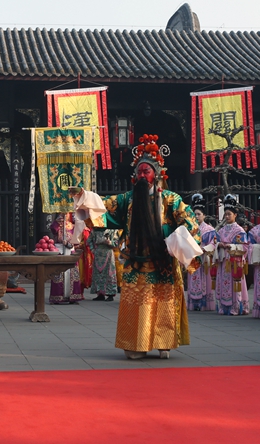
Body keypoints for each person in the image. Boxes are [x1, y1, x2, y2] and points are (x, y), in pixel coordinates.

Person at [71, 133, 201, 359]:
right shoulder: (127, 199)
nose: (142, 175)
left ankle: (164, 343)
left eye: (146, 171)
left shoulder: (171, 199)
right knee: (136, 303)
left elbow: (190, 223)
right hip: (135, 261)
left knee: (163, 302)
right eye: (139, 172)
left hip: (162, 261)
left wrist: (166, 233)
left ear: (156, 175)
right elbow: (103, 208)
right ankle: (136, 344)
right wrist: (84, 198)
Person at [212, 194, 249, 315]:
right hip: (224, 261)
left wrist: (231, 246)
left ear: (235, 215)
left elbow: (245, 246)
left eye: (229, 214)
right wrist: (219, 245)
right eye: (226, 214)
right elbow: (215, 243)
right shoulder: (221, 230)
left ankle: (236, 307)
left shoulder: (239, 231)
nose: (227, 216)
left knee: (234, 283)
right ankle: (223, 307)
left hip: (234, 261)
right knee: (223, 283)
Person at [187, 194, 216, 311]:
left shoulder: (209, 229)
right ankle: (193, 303)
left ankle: (204, 303)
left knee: (204, 279)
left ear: (204, 215)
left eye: (199, 214)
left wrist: (205, 249)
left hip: (203, 257)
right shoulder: (189, 228)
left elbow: (214, 244)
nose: (197, 216)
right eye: (195, 214)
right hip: (193, 257)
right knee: (193, 278)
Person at [48, 213, 84, 304]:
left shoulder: (72, 226)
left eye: (67, 213)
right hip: (60, 252)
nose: (65, 215)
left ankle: (73, 296)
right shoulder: (56, 225)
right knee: (59, 274)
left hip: (70, 251)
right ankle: (58, 297)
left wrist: (71, 243)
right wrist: (58, 221)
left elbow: (78, 239)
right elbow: (53, 229)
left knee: (73, 273)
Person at [88, 228, 120, 301]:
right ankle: (100, 294)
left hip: (108, 252)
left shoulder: (113, 230)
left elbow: (117, 242)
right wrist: (92, 249)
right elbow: (89, 240)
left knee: (109, 273)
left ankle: (110, 293)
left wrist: (110, 243)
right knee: (98, 274)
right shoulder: (95, 230)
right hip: (98, 253)